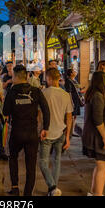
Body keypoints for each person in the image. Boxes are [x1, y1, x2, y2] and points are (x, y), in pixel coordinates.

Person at [3, 65, 50, 197]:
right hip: (32, 132)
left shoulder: (12, 92)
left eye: (12, 76)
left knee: (13, 158)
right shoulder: (35, 91)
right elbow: (46, 110)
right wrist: (45, 128)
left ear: (16, 77)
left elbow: (5, 111)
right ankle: (28, 193)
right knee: (31, 164)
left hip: (17, 131)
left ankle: (15, 187)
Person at [82, 71, 105, 196]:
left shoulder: (94, 94)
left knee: (101, 165)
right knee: (103, 165)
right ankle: (98, 193)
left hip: (94, 136)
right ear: (101, 81)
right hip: (98, 137)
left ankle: (94, 192)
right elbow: (98, 120)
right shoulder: (98, 96)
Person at [39, 68, 73, 196]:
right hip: (61, 132)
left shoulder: (43, 93)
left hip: (46, 132)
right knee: (57, 160)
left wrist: (40, 128)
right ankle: (53, 189)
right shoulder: (65, 95)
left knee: (43, 161)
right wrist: (68, 136)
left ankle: (52, 187)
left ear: (49, 78)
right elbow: (69, 117)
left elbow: (39, 114)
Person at [63, 69, 84, 138]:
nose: (76, 72)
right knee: (71, 116)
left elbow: (77, 89)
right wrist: (71, 101)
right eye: (74, 71)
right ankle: (69, 131)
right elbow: (69, 92)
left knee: (74, 116)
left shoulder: (74, 80)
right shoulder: (68, 81)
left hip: (77, 100)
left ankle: (73, 130)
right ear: (71, 73)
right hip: (73, 100)